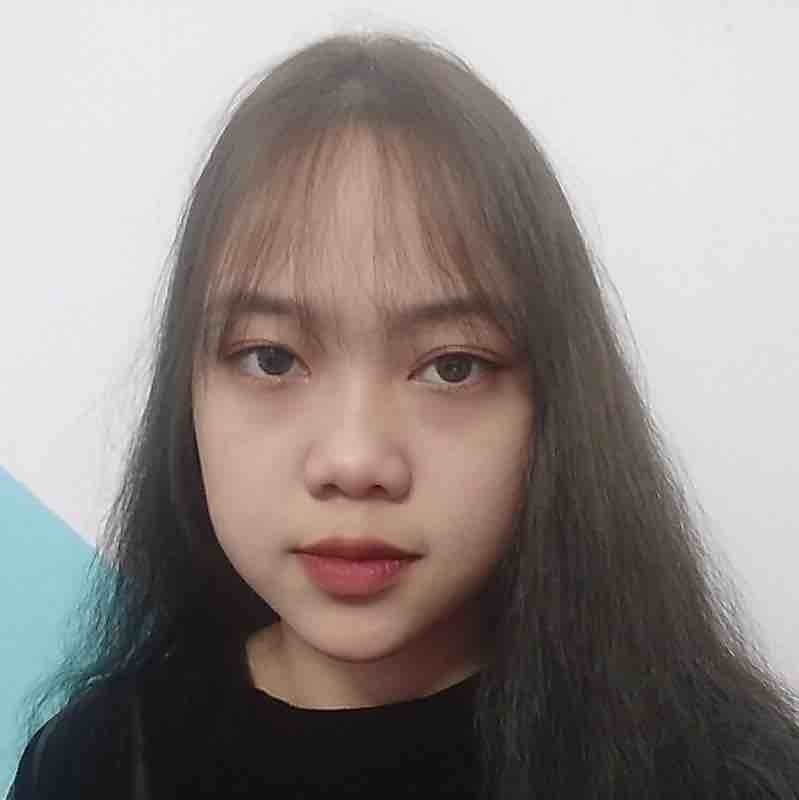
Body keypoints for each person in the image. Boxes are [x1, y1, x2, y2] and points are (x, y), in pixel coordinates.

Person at [8, 30, 799, 800]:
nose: (354, 462)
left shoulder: (720, 773)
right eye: (271, 358)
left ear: (553, 407)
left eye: (452, 366)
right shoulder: (98, 763)